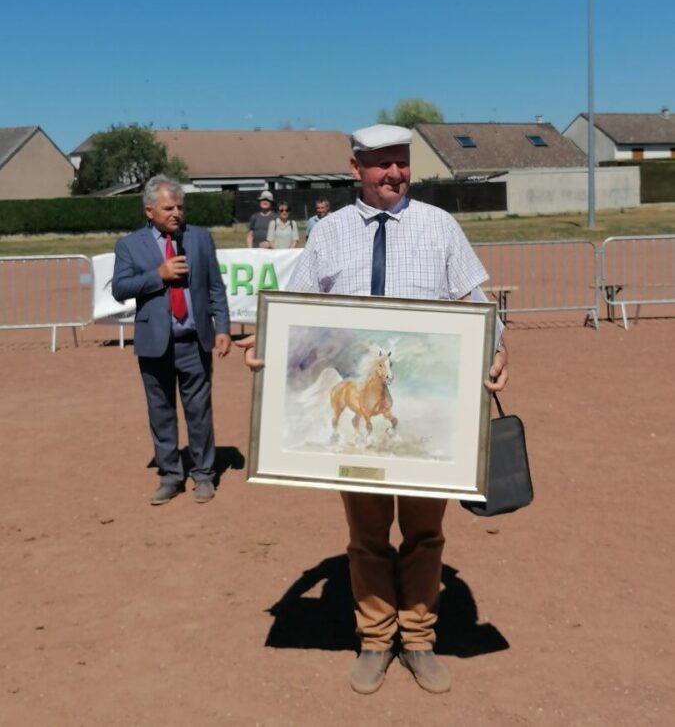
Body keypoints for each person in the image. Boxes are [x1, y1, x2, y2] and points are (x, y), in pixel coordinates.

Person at [237, 123, 507, 695]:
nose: (394, 173)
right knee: (366, 535)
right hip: (357, 407)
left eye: (401, 162)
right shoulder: (329, 234)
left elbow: (474, 303)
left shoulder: (440, 227)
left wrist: (498, 344)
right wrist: (271, 344)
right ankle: (376, 638)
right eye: (381, 163)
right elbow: (301, 311)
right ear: (355, 167)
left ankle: (419, 638)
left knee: (425, 534)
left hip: (427, 412)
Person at [112, 174, 231, 506]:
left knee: (199, 412)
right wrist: (158, 276)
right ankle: (170, 476)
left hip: (194, 342)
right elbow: (120, 289)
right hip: (155, 344)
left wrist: (222, 327)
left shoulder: (200, 238)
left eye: (180, 206)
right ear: (149, 210)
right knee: (161, 412)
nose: (177, 212)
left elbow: (215, 287)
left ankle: (204, 475)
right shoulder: (129, 245)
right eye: (168, 207)